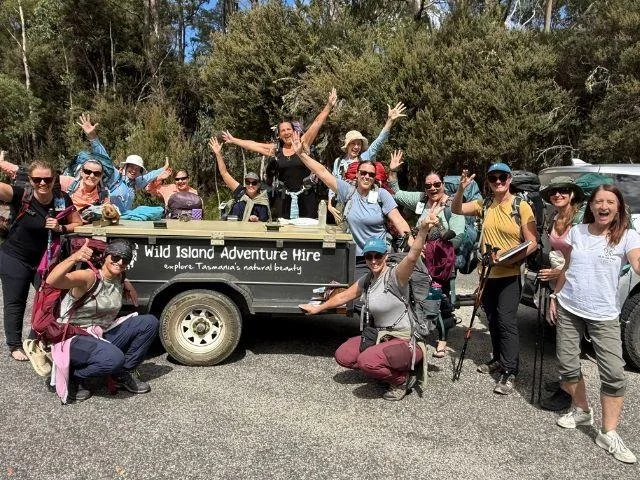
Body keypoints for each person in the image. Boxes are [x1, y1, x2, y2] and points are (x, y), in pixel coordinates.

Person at [299, 208, 441, 401]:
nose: (374, 260)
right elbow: (344, 296)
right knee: (343, 356)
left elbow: (412, 256)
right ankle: (382, 365)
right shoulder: (368, 279)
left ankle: (401, 379)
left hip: (405, 341)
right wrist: (318, 308)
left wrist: (423, 229)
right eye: (369, 256)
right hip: (381, 336)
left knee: (367, 361)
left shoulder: (396, 276)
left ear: (385, 256)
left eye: (378, 256)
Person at [548, 185, 639, 464]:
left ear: (618, 207)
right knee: (567, 365)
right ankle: (582, 410)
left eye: (610, 202)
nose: (604, 206)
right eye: (599, 201)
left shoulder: (627, 236)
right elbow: (567, 267)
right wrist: (554, 295)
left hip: (604, 314)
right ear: (591, 206)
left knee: (613, 374)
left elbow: (637, 262)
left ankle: (608, 432)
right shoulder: (578, 232)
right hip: (569, 307)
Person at [451, 163, 537, 395]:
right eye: (493, 178)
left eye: (502, 177)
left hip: (509, 274)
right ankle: (498, 359)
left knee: (506, 321)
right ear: (488, 182)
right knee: (492, 319)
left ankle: (510, 370)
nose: (498, 181)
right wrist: (461, 189)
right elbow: (456, 209)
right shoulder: (485, 204)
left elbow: (532, 243)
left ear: (509, 179)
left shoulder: (521, 206)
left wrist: (509, 259)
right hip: (487, 274)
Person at [46, 239, 159, 403]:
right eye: (116, 257)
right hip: (73, 337)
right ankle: (75, 376)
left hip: (100, 332)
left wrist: (126, 282)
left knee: (149, 322)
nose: (120, 262)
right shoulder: (89, 277)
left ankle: (122, 373)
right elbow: (52, 281)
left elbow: (116, 275)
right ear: (106, 256)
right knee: (114, 358)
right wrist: (74, 258)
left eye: (125, 259)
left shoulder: (119, 278)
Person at [291, 135, 412, 281]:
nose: (367, 176)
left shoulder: (382, 195)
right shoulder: (348, 191)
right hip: (357, 258)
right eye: (363, 173)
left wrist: (413, 244)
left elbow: (398, 220)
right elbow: (322, 172)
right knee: (356, 292)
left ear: (374, 177)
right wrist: (301, 154)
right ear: (357, 174)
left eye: (371, 174)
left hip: (379, 257)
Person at [0, 161, 83, 361]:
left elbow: (77, 223)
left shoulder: (62, 198)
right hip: (15, 257)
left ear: (54, 179)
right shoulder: (22, 195)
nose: (43, 183)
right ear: (30, 180)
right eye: (37, 179)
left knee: (49, 299)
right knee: (15, 301)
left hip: (45, 260)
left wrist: (61, 228)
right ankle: (14, 345)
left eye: (47, 179)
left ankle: (35, 339)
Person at [388, 151, 466, 357]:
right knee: (415, 295)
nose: (432, 188)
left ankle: (442, 338)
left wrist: (436, 236)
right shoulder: (422, 200)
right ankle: (417, 329)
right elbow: (397, 193)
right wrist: (393, 171)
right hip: (420, 259)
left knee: (439, 299)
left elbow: (458, 237)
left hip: (440, 261)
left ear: (443, 185)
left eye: (436, 184)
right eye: (428, 185)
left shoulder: (452, 205)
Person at [221, 88, 337, 219]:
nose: (286, 133)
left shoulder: (303, 144)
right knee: (284, 228)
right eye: (283, 131)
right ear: (279, 134)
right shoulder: (276, 150)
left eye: (289, 129)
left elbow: (317, 123)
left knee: (307, 227)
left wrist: (329, 106)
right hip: (284, 199)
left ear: (294, 131)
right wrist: (234, 140)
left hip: (306, 198)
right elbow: (254, 145)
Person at [74, 114, 168, 213]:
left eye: (137, 168)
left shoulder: (136, 183)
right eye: (131, 167)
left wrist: (163, 168)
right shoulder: (115, 176)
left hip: (124, 220)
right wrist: (92, 137)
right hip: (109, 218)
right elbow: (104, 158)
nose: (134, 170)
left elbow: (150, 176)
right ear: (125, 167)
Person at [0, 151, 110, 221]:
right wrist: (3, 164)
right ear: (81, 172)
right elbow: (29, 174)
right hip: (60, 226)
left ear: (101, 176)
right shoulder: (68, 182)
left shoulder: (103, 194)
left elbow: (107, 213)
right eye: (88, 172)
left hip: (82, 230)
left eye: (97, 173)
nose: (92, 176)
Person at [537, 176, 585, 289]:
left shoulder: (581, 220)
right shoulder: (553, 218)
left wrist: (561, 272)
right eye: (553, 191)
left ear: (572, 194)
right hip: (557, 283)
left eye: (563, 190)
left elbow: (586, 256)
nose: (557, 194)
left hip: (577, 283)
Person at [209, 137, 269, 222]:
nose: (250, 185)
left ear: (259, 184)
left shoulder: (263, 201)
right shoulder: (240, 192)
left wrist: (257, 220)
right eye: (247, 182)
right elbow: (224, 173)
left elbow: (265, 223)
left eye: (254, 183)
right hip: (233, 228)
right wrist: (218, 154)